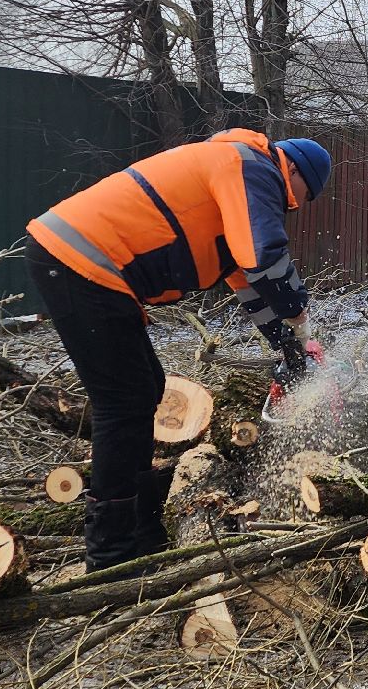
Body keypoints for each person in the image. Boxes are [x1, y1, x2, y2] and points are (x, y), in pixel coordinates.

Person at [25, 129, 332, 571]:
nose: (295, 207)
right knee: (123, 401)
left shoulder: (238, 182)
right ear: (298, 174)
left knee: (146, 390)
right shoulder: (250, 166)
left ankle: (146, 534)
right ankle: (111, 554)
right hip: (78, 259)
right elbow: (266, 258)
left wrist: (292, 350)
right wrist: (301, 317)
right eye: (303, 197)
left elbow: (249, 284)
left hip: (93, 267)